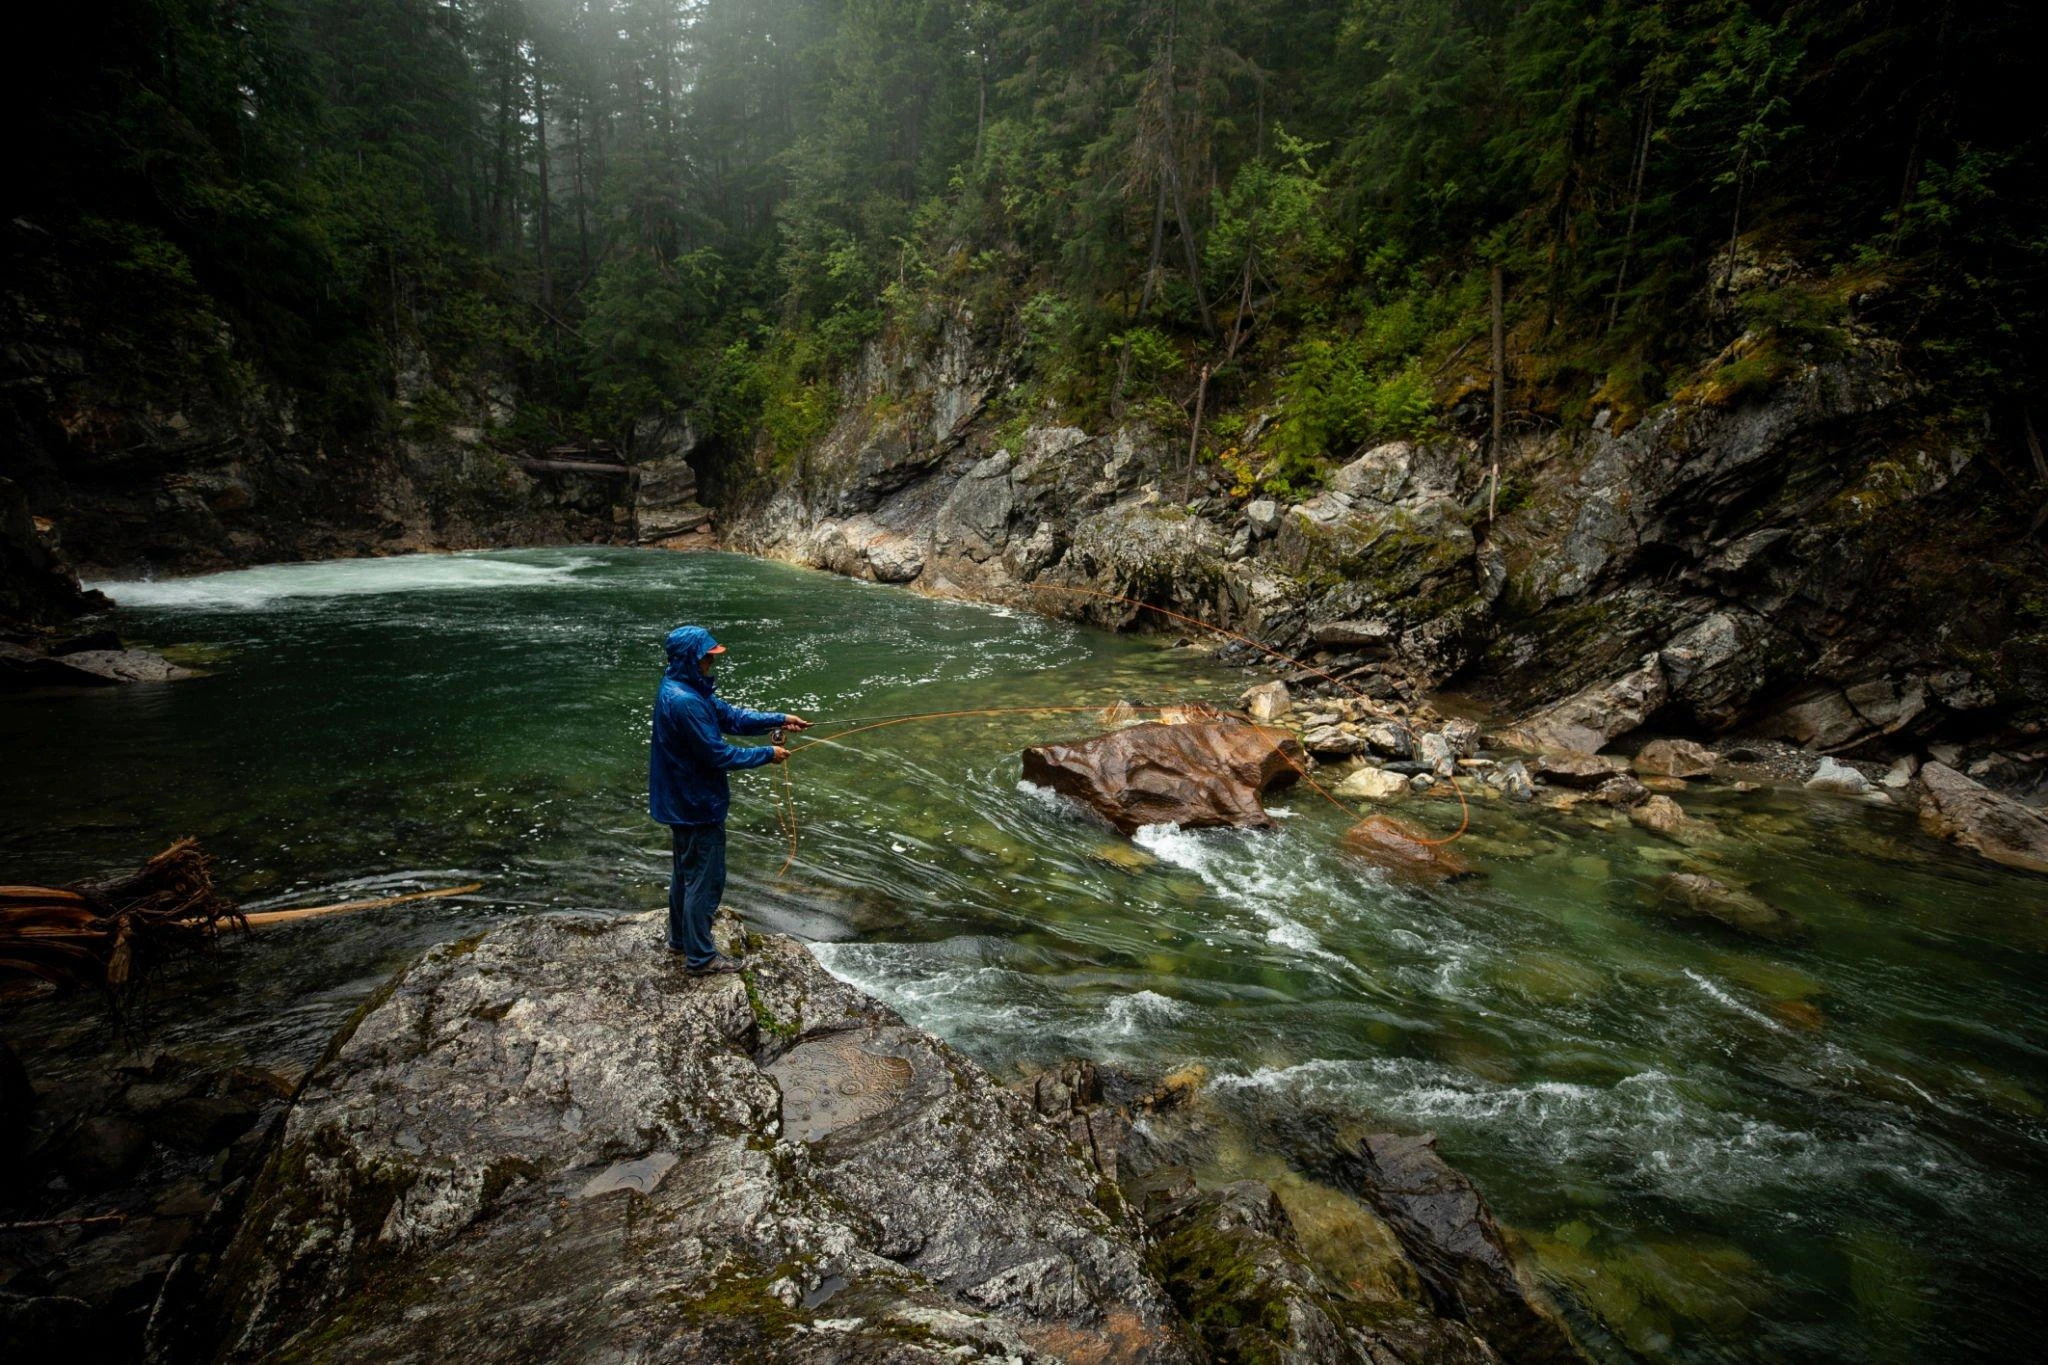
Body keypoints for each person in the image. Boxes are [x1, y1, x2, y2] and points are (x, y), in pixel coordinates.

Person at [648, 625, 810, 974]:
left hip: (681, 802)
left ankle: (680, 940)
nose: (711, 662)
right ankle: (701, 958)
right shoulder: (686, 701)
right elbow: (718, 754)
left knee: (685, 875)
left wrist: (779, 718)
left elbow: (731, 717)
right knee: (705, 882)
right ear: (693, 660)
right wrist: (767, 755)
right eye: (708, 657)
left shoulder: (682, 688)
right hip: (695, 805)